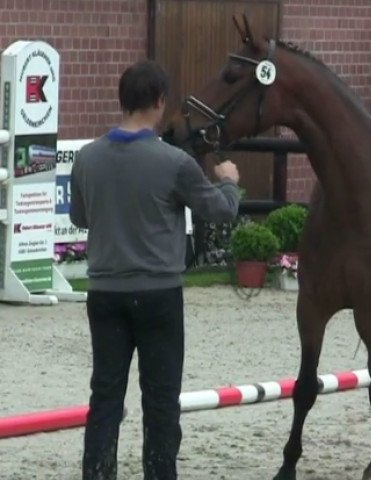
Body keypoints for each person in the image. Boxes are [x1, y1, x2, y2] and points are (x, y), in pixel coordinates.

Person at [70, 60, 240, 480]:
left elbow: (79, 218)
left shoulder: (87, 159)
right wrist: (229, 180)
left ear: (121, 100)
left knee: (105, 396)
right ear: (160, 103)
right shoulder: (175, 163)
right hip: (159, 293)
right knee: (161, 399)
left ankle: (98, 472)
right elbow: (220, 212)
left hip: (105, 292)